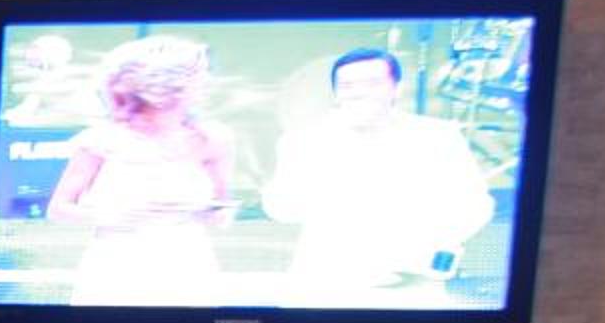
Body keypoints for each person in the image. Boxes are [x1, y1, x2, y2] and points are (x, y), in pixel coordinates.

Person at [262, 47, 494, 302]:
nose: (358, 93)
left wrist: (436, 246)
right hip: (325, 280)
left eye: (372, 83)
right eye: (347, 86)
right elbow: (280, 209)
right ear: (336, 93)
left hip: (412, 281)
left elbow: (475, 205)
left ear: (397, 88)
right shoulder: (302, 141)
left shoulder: (438, 137)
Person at [43, 35, 234, 305]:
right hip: (116, 268)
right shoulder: (101, 140)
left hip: (189, 267)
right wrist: (116, 216)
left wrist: (206, 212)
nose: (205, 84)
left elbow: (222, 212)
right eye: (197, 76)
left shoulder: (212, 140)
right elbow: (58, 209)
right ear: (165, 84)